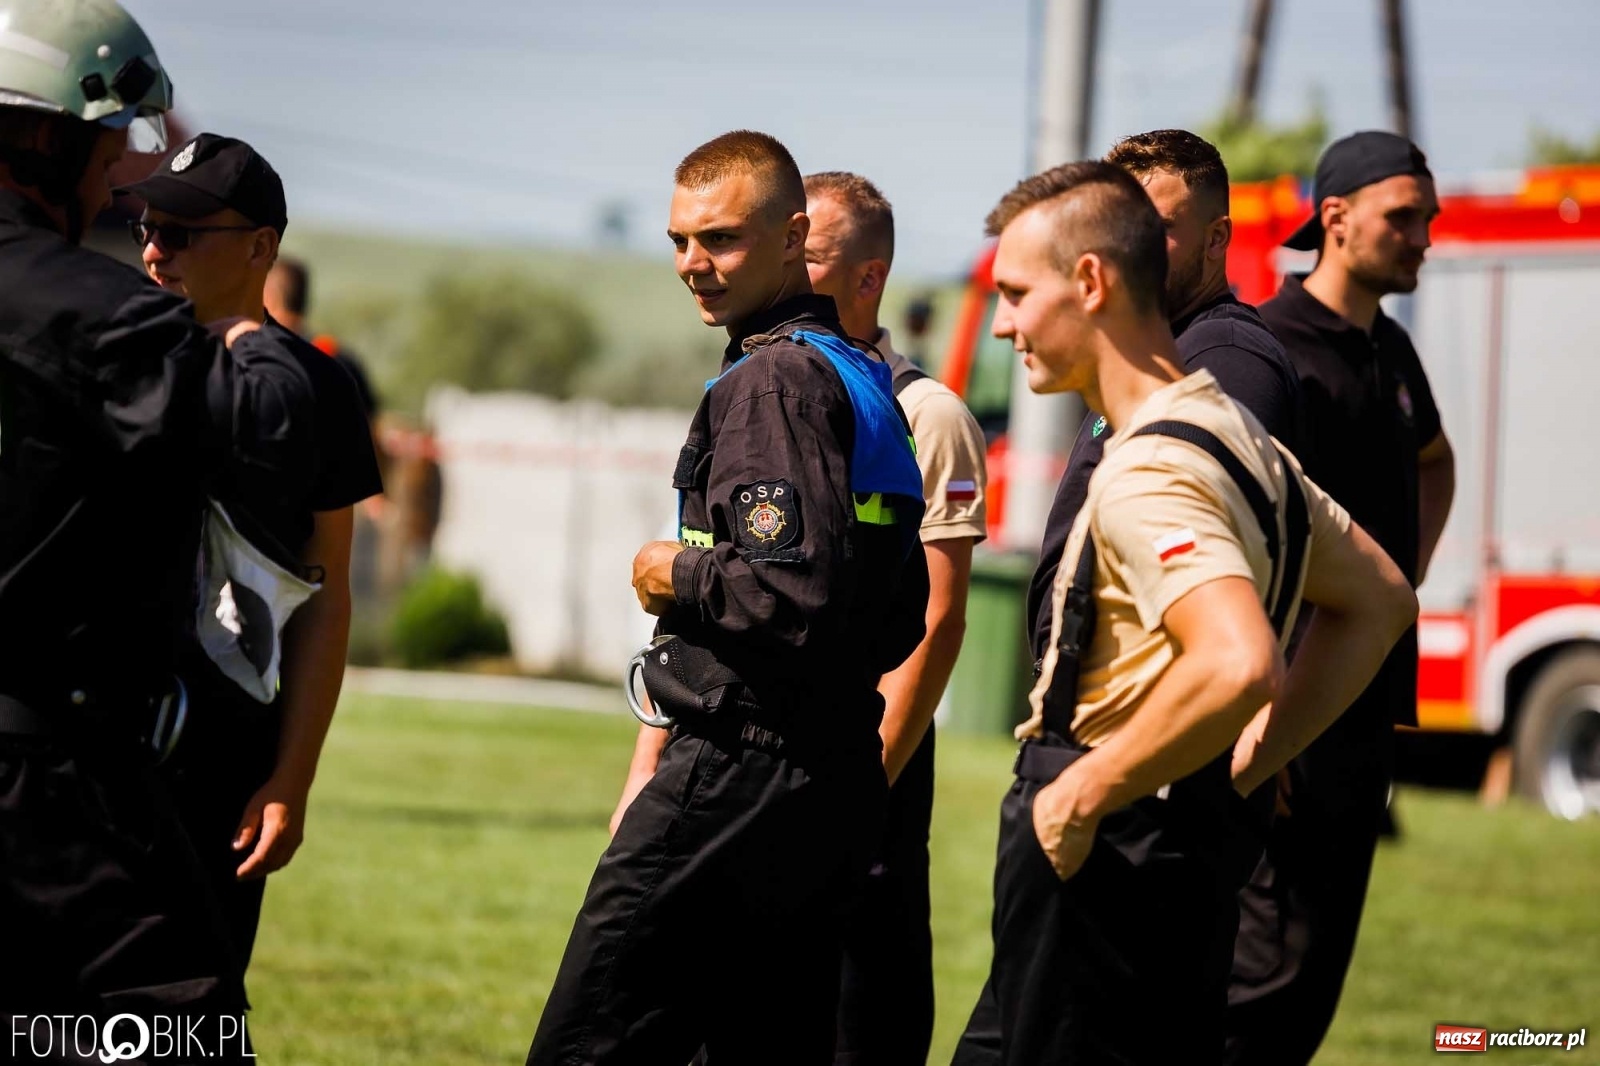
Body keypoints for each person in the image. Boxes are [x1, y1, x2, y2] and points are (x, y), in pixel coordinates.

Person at [953, 160, 1418, 1064]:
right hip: (1178, 835)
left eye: (1015, 293)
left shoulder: (1152, 465)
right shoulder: (1229, 429)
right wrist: (1246, 764)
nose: (1004, 322)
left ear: (1090, 283)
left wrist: (1086, 789)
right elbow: (1380, 598)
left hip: (1111, 840)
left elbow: (1239, 661)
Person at [526, 130, 929, 1065]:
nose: (693, 265)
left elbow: (793, 590)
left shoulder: (772, 381)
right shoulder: (858, 372)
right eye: (679, 241)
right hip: (830, 776)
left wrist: (674, 572)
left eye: (721, 240)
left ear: (794, 237)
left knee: (588, 1042)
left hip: (739, 769)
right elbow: (888, 606)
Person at [0, 1, 310, 1051]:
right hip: (51, 792)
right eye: (109, 141)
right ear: (46, 135)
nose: (121, 176)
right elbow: (253, 438)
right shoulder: (105, 316)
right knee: (186, 1032)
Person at [119, 133, 383, 976]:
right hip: (89, 743)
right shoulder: (109, 353)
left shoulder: (318, 388)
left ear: (263, 246)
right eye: (147, 228)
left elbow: (328, 589)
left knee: (189, 1003)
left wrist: (291, 778)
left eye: (185, 232)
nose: (157, 250)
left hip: (221, 760)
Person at [1227, 130, 1457, 1066]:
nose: (1423, 237)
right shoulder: (1269, 352)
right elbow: (1231, 543)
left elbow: (1434, 464)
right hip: (1284, 711)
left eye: (1428, 220)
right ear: (1336, 217)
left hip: (1366, 707)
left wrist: (1402, 585)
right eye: (1405, 217)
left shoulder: (1391, 350)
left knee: (1313, 974)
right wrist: (1259, 714)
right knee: (1256, 978)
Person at [803, 171, 987, 1066]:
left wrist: (859, 790)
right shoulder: (755, 388)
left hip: (866, 770)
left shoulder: (928, 413)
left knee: (858, 1022)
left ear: (869, 276)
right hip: (759, 766)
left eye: (808, 254)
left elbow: (939, 620)